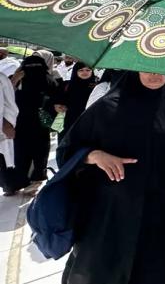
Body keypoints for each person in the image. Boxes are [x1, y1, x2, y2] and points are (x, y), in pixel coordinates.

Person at [58, 71, 165, 284]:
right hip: (110, 211)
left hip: (155, 212)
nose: (155, 75)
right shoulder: (107, 108)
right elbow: (66, 151)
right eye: (147, 68)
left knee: (151, 276)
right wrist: (95, 155)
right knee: (104, 275)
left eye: (160, 69)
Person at [10, 55, 58, 195]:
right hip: (20, 122)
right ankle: (18, 182)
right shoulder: (17, 78)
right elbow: (5, 96)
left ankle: (36, 181)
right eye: (30, 67)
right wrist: (14, 81)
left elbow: (57, 99)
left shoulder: (50, 79)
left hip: (41, 122)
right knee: (19, 153)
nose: (33, 70)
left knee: (40, 153)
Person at [55, 62, 97, 139]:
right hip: (68, 123)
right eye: (81, 70)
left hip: (90, 123)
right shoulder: (66, 85)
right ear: (75, 71)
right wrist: (57, 106)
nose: (85, 72)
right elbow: (56, 100)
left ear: (92, 71)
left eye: (88, 70)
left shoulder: (98, 87)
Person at [0, 73, 19, 195]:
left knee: (2, 160)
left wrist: (8, 123)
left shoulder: (1, 78)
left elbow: (10, 103)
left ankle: (8, 185)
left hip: (1, 127)